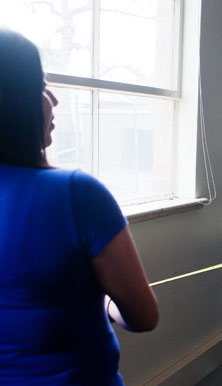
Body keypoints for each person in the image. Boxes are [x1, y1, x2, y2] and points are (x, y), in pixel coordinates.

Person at [0, 29, 159, 385]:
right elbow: (144, 317)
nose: (53, 99)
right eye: (40, 86)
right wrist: (107, 304)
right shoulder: (76, 194)